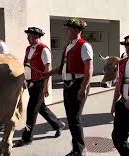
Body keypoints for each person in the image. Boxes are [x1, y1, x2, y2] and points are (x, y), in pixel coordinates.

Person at [44, 18, 93, 156]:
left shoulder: (84, 45)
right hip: (67, 85)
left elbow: (89, 69)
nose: (66, 30)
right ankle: (77, 148)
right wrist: (47, 73)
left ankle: (79, 150)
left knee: (75, 118)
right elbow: (62, 67)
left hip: (78, 84)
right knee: (71, 118)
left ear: (77, 30)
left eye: (69, 28)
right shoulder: (68, 46)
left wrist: (83, 88)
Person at [15, 27, 65, 147]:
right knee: (41, 107)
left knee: (32, 110)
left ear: (37, 37)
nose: (28, 38)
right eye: (28, 36)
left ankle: (27, 138)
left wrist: (46, 87)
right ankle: (58, 125)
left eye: (30, 36)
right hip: (31, 82)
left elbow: (48, 69)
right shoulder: (28, 48)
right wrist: (24, 80)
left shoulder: (44, 50)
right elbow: (25, 64)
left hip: (40, 83)